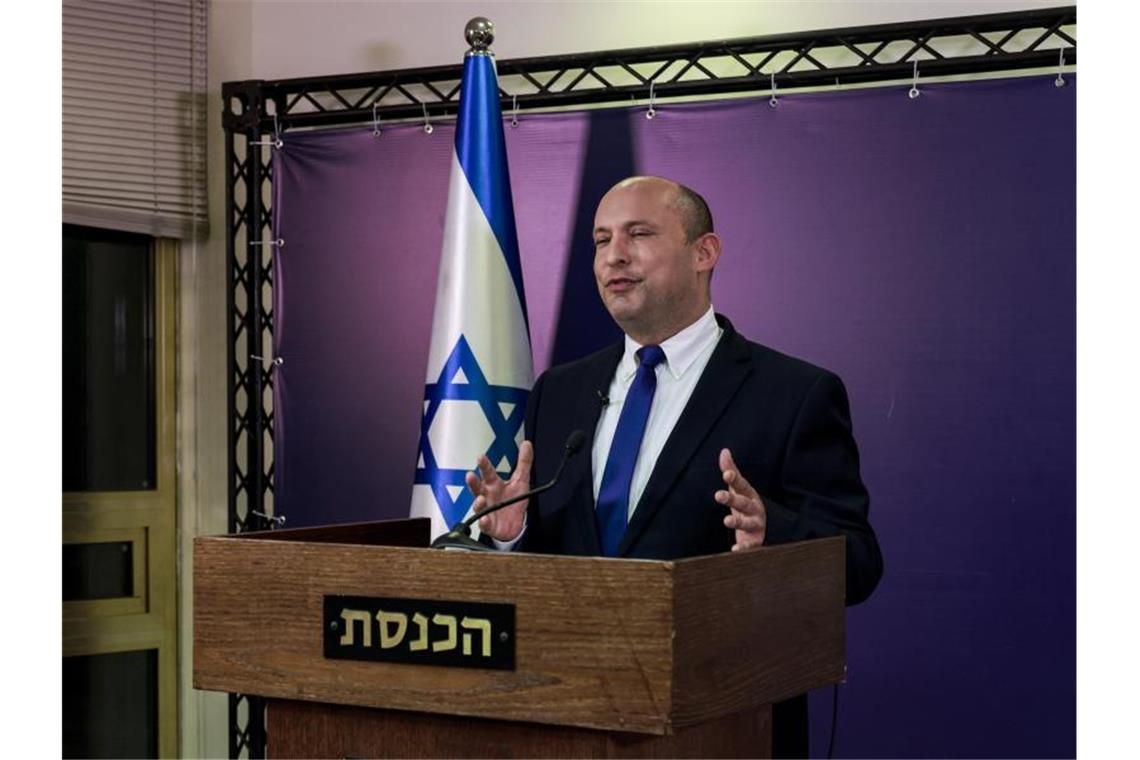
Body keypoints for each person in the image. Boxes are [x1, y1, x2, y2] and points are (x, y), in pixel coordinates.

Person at [467, 175, 882, 757]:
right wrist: (513, 537)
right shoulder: (559, 391)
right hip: (566, 720)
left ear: (704, 253)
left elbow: (860, 563)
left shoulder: (793, 393)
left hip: (723, 725)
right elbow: (563, 562)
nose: (614, 255)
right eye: (600, 239)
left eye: (639, 234)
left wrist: (775, 536)